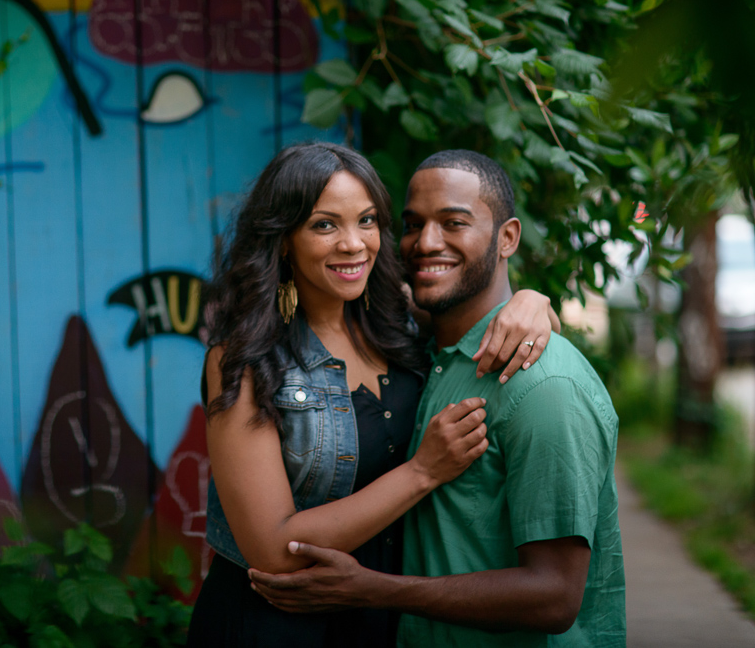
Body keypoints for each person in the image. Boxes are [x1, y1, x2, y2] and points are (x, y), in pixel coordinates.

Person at [187, 143, 560, 648]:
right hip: (272, 628)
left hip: (379, 620)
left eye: (365, 221)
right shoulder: (244, 360)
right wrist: (423, 471)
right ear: (282, 240)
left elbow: (483, 310)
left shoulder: (400, 325)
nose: (353, 244)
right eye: (324, 225)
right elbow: (274, 549)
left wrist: (533, 303)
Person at [250, 149, 626, 647]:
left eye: (453, 223)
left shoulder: (543, 384)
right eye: (412, 224)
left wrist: (377, 590)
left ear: (507, 237)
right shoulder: (418, 349)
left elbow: (555, 597)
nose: (426, 243)